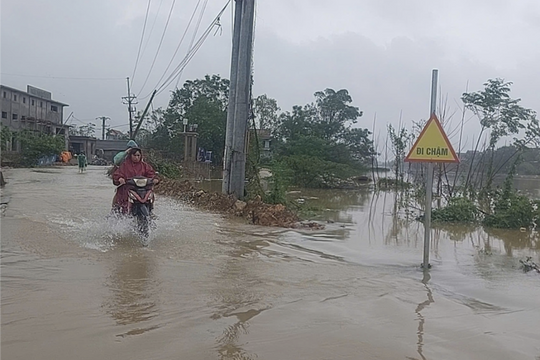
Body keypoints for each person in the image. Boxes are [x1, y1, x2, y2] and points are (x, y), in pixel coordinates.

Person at [111, 147, 158, 214]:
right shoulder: (125, 165)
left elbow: (151, 174)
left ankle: (150, 211)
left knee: (150, 198)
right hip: (128, 188)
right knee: (120, 201)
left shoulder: (145, 166)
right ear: (130, 156)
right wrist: (120, 178)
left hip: (143, 189)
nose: (136, 157)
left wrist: (155, 179)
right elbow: (117, 174)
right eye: (134, 155)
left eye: (138, 155)